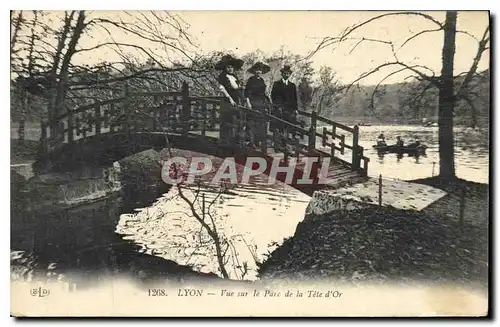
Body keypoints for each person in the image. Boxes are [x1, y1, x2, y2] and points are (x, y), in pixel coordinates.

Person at [215, 54, 245, 146]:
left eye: (232, 67)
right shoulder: (223, 77)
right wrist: (230, 99)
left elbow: (237, 88)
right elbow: (222, 89)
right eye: (228, 67)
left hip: (236, 99)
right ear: (225, 68)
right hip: (227, 100)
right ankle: (226, 142)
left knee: (237, 120)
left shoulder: (234, 76)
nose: (230, 69)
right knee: (228, 121)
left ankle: (236, 140)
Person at [244, 61, 271, 149]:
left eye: (260, 70)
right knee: (252, 123)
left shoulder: (262, 80)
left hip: (261, 104)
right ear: (254, 71)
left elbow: (264, 93)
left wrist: (267, 101)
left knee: (260, 123)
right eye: (257, 70)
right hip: (253, 103)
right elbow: (246, 92)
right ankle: (251, 142)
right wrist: (248, 103)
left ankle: (257, 141)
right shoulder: (251, 80)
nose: (258, 72)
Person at [271, 65, 299, 144]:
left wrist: (295, 109)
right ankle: (277, 142)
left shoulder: (292, 85)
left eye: (288, 74)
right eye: (285, 73)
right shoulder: (276, 84)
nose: (286, 75)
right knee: (279, 125)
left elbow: (295, 98)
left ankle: (287, 141)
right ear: (282, 74)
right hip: (279, 108)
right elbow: (273, 96)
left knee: (289, 124)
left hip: (289, 109)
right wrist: (278, 106)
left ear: (290, 75)